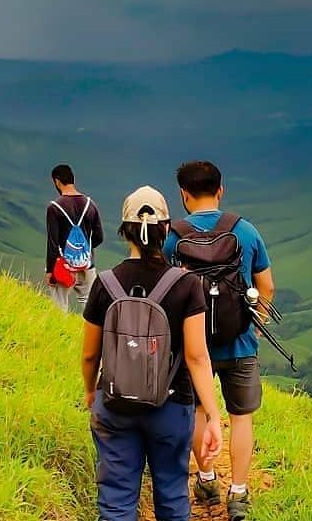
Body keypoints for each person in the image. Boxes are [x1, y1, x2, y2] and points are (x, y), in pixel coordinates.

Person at [81, 186, 223, 521]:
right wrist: (214, 416)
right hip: (171, 407)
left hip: (114, 403)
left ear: (125, 230)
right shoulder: (187, 285)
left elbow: (90, 354)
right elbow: (197, 357)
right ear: (165, 230)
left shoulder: (105, 283)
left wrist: (91, 390)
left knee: (116, 501)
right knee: (173, 496)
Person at [164, 161, 274, 520]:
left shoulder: (172, 238)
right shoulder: (245, 231)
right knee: (240, 417)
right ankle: (239, 494)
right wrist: (255, 323)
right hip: (240, 342)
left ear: (183, 194)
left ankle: (207, 479)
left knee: (198, 410)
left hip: (193, 348)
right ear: (221, 190)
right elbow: (266, 286)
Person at [46, 164, 104, 311]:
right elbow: (99, 237)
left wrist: (50, 271)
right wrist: (82, 251)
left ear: (57, 181)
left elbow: (53, 243)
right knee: (90, 309)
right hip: (87, 264)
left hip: (63, 266)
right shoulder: (91, 205)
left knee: (59, 308)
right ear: (73, 179)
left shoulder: (54, 207)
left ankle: (60, 334)